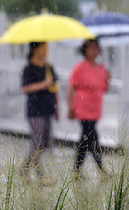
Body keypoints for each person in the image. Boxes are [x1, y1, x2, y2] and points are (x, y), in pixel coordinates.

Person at [67, 39, 110, 180]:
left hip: (95, 109)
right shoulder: (79, 68)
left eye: (95, 48)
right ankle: (101, 170)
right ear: (84, 51)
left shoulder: (101, 69)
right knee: (93, 138)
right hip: (83, 108)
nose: (93, 51)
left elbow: (104, 88)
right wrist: (70, 106)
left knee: (85, 140)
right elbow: (71, 87)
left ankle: (76, 170)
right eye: (90, 48)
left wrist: (108, 79)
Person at [19, 42, 60, 185]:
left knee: (44, 144)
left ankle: (24, 168)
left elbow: (55, 88)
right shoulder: (28, 69)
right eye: (43, 48)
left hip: (48, 109)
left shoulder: (49, 67)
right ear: (35, 49)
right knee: (36, 143)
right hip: (35, 111)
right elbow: (25, 88)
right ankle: (40, 175)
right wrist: (43, 84)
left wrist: (57, 107)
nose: (46, 51)